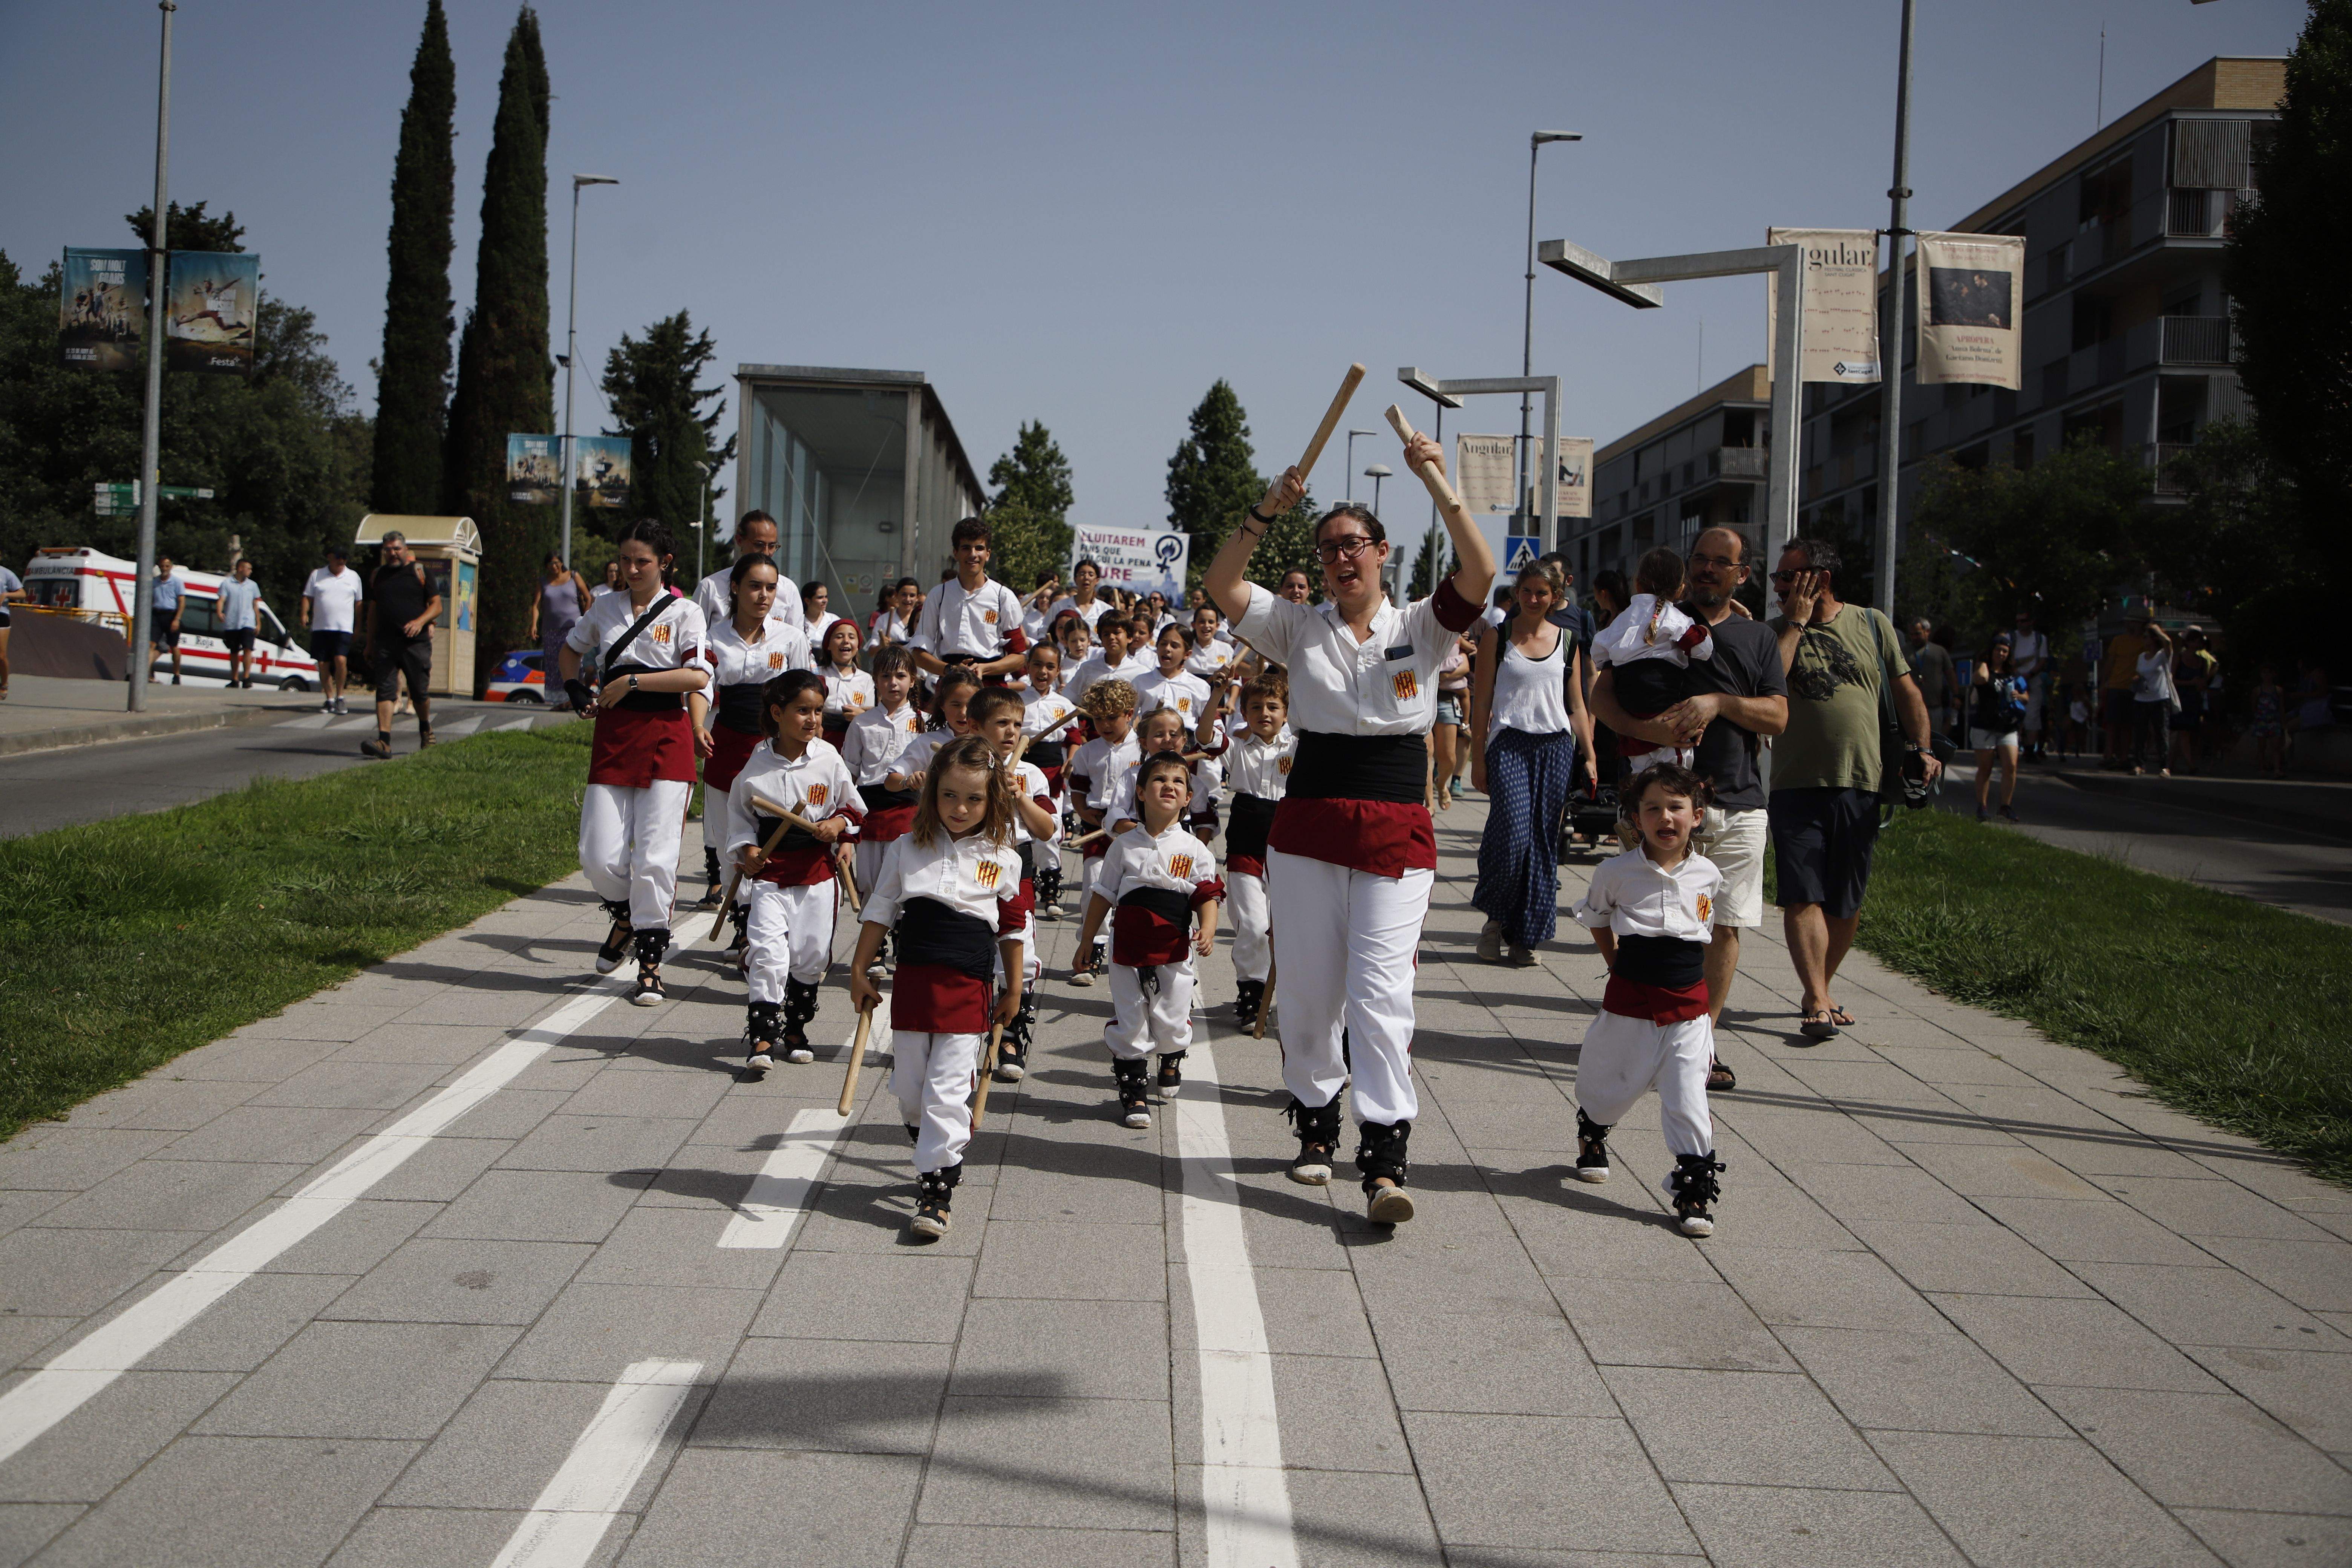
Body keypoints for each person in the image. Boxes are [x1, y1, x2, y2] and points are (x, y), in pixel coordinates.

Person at [1205, 419, 1494, 1226]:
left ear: (1382, 550)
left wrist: (1436, 477)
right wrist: (1267, 510)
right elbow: (1222, 584)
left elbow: (1482, 567)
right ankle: (1315, 1116)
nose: (1341, 556)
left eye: (1354, 543)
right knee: (1307, 995)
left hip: (1396, 825)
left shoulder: (1422, 626)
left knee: (1380, 989)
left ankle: (1386, 1150)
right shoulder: (1298, 626)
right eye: (1329, 545)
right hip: (1309, 827)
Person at [1590, 527, 1786, 1093]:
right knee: (1649, 925)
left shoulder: (1756, 637)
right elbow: (1601, 695)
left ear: (1741, 574)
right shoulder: (1653, 622)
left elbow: (1777, 716)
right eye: (1698, 560)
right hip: (1657, 803)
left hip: (1737, 800)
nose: (1707, 570)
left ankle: (1701, 1041)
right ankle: (1645, 1027)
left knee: (1724, 927)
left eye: (1720, 563)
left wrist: (1718, 702)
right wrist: (1643, 729)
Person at [845, 736, 1027, 1239]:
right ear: (933, 795)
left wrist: (1015, 989)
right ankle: (932, 1144)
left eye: (973, 799)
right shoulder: (908, 847)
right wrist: (859, 969)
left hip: (969, 984)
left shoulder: (1004, 857)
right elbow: (880, 909)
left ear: (991, 802)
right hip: (913, 983)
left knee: (947, 1091)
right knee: (910, 1091)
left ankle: (936, 1188)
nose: (960, 807)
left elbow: (1013, 929)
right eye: (949, 795)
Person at [1766, 537, 1939, 1040]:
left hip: (1862, 780)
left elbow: (1907, 691)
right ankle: (1818, 999)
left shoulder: (1871, 623)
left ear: (1820, 578)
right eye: (1778, 577)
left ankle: (1819, 986)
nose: (1778, 585)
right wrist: (1796, 623)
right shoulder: (1775, 632)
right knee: (1801, 894)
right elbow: (1768, 683)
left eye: (1787, 576)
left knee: (1847, 899)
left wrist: (1923, 748)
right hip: (1796, 782)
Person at [1565, 763, 1727, 1238]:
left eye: (1676, 807)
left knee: (1687, 1095)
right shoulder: (1616, 871)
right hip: (1630, 999)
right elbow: (1597, 918)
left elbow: (1703, 929)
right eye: (1653, 807)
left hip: (1689, 1007)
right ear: (1636, 817)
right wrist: (1616, 963)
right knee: (1609, 1084)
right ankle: (1593, 1129)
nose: (1665, 817)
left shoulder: (1708, 874)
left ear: (1696, 815)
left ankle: (1694, 1184)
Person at [558, 519, 710, 1006]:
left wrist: (636, 682)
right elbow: (569, 651)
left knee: (656, 856)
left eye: (641, 561)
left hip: (667, 735)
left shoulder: (686, 612)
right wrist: (576, 688)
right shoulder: (604, 606)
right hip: (614, 736)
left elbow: (696, 676)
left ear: (664, 563)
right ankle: (626, 912)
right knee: (597, 854)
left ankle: (650, 958)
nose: (631, 569)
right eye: (625, 560)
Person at [1071, 752, 1224, 1128]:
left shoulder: (1195, 849)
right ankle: (1134, 1090)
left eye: (1178, 781)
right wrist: (1088, 939)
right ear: (1140, 792)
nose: (1168, 786)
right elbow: (1103, 893)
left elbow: (1207, 895)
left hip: (1173, 947)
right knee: (1132, 1020)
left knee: (1171, 1022)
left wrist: (1208, 928)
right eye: (1159, 780)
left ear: (1189, 797)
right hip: (1127, 946)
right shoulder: (1124, 845)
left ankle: (1172, 1056)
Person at [724, 670, 860, 1071]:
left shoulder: (828, 757)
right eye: (802, 711)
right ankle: (763, 1035)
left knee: (811, 956)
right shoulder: (758, 761)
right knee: (769, 954)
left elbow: (851, 806)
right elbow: (740, 815)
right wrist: (747, 849)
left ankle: (796, 1029)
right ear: (778, 712)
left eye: (818, 711)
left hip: (817, 873)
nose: (813, 719)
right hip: (771, 874)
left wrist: (838, 827)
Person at [1470, 559, 1597, 965]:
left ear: (1556, 597)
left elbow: (1576, 703)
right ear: (1517, 592)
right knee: (1511, 834)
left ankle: (1526, 933)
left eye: (1543, 593)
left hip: (1556, 746)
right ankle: (1495, 919)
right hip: (1509, 742)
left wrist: (1590, 755)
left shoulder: (1569, 641)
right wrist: (1477, 758)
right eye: (1527, 591)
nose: (1534, 599)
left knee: (1542, 840)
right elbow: (1483, 700)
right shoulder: (1498, 635)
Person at [694, 555, 811, 914]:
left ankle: (763, 921)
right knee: (731, 839)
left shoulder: (791, 638)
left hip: (774, 749)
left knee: (769, 838)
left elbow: (808, 695)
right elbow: (699, 686)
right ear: (735, 588)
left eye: (771, 588)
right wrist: (698, 726)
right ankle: (742, 923)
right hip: (725, 743)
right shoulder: (711, 638)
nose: (764, 595)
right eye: (755, 586)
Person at [969, 684, 1060, 1081]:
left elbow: (1045, 829)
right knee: (974, 950)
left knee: (1019, 951)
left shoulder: (1030, 772)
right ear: (975, 727)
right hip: (972, 869)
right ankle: (969, 1029)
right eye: (1001, 723)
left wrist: (1019, 797)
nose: (1011, 731)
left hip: (1016, 870)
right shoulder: (960, 764)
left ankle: (1011, 1035)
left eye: (1017, 724)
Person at [1591, 548, 1716, 774]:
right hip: (1666, 712)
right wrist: (1705, 632)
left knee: (1642, 777)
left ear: (1637, 583)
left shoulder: (1619, 622)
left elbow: (1599, 653)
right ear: (1680, 589)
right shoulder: (1675, 618)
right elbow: (1701, 650)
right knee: (1676, 777)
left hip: (1630, 713)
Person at [1221, 673, 1293, 1029]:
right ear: (1244, 713)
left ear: (1286, 712)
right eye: (1256, 707)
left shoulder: (1298, 746)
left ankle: (1293, 995)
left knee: (1286, 926)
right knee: (1252, 923)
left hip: (1288, 843)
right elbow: (1206, 737)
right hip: (1246, 841)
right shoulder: (1238, 746)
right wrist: (1220, 693)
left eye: (1273, 707)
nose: (1264, 713)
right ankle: (1251, 991)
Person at [1066, 678, 1143, 982]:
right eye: (1098, 718)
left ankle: (1135, 952)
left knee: (1134, 890)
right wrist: (1086, 814)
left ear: (1130, 714)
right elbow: (1078, 790)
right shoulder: (1087, 752)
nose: (1105, 724)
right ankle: (1094, 949)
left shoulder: (1144, 748)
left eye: (1112, 717)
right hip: (1097, 825)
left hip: (1134, 828)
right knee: (1094, 887)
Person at [841, 645, 926, 903]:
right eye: (886, 676)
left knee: (905, 882)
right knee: (870, 883)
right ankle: (874, 941)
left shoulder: (925, 722)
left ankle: (903, 938)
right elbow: (848, 776)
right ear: (875, 680)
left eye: (901, 676)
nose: (893, 683)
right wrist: (846, 829)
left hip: (909, 809)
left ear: (913, 680)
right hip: (870, 811)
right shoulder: (861, 723)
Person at [359, 531, 441, 759]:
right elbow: (373, 612)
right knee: (385, 691)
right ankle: (384, 742)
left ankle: (425, 728)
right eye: (388, 550)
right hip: (386, 644)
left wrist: (420, 622)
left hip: (415, 643)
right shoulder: (378, 575)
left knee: (420, 692)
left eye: (396, 548)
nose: (392, 553)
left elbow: (436, 607)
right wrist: (369, 643)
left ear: (405, 549)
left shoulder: (420, 572)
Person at [692, 511, 802, 635]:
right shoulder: (710, 587)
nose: (766, 552)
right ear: (740, 541)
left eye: (772, 546)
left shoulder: (789, 589)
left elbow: (796, 640)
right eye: (759, 545)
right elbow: (694, 638)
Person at [1969, 635, 2027, 821]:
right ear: (1991, 651)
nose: (2001, 654)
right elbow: (1980, 679)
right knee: (1985, 769)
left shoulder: (2013, 675)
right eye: (1998, 650)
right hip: (1984, 727)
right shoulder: (1984, 670)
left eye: (2005, 651)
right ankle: (1982, 807)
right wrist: (1984, 663)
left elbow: (2027, 697)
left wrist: (2020, 696)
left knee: (2011, 766)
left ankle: (2006, 806)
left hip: (2008, 727)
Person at [302, 546, 363, 714]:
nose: (341, 561)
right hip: (321, 627)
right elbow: (307, 596)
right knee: (323, 663)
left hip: (343, 628)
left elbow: (359, 604)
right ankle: (329, 699)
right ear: (330, 557)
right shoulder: (317, 575)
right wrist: (304, 613)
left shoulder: (353, 577)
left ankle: (340, 697)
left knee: (341, 660)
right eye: (338, 557)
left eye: (344, 557)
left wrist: (358, 626)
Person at [1063, 612, 1152, 707]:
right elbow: (1068, 700)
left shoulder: (1141, 673)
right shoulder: (1087, 669)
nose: (1111, 637)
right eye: (1106, 634)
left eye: (1117, 633)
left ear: (1130, 638)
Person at [530, 553, 590, 683]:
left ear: (562, 563)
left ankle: (574, 697)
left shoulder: (573, 576)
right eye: (551, 564)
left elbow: (588, 597)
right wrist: (534, 625)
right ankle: (559, 700)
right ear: (546, 566)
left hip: (573, 628)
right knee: (553, 664)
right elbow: (536, 605)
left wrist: (585, 619)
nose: (554, 566)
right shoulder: (543, 582)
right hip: (551, 630)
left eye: (557, 562)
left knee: (575, 662)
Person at [1133, 624, 1211, 722]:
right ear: (1157, 647)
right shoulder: (1140, 682)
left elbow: (1210, 724)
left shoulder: (1200, 687)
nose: (1167, 649)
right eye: (1163, 644)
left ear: (1187, 654)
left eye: (1174, 646)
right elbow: (1129, 719)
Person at [817, 619, 873, 749]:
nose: (846, 641)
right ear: (828, 645)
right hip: (820, 735)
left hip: (852, 738)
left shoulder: (866, 679)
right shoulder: (817, 674)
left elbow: (870, 711)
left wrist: (861, 714)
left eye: (852, 637)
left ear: (858, 645)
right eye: (839, 636)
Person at [2130, 619, 2176, 777]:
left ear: (2154, 639)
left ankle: (2165, 767)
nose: (2144, 640)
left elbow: (2168, 642)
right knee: (2140, 734)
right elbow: (2141, 674)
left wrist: (2157, 630)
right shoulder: (2142, 657)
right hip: (2142, 699)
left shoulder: (2163, 655)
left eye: (2146, 637)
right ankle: (2139, 765)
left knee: (2161, 733)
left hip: (2160, 699)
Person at [2099, 621, 2148, 766]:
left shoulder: (2144, 643)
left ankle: (2124, 757)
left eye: (2134, 621)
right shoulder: (2118, 641)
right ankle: (2109, 754)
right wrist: (2104, 683)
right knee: (2112, 723)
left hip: (2132, 688)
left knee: (2127, 724)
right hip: (2115, 686)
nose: (2130, 625)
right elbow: (2110, 662)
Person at [2171, 626, 2216, 774]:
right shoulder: (2179, 658)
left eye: (2199, 642)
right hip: (2181, 697)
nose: (2197, 644)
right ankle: (2191, 765)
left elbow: (2204, 681)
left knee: (2187, 732)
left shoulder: (2202, 661)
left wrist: (2203, 682)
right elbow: (2172, 680)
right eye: (2194, 641)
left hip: (2194, 699)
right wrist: (2190, 682)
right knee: (2183, 731)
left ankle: (2171, 763)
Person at [2008, 609, 2050, 759]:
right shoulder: (2011, 637)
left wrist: (2029, 674)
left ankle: (2029, 749)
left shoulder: (2040, 639)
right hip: (2014, 680)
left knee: (2033, 715)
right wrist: (2017, 674)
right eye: (2018, 621)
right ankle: (2008, 747)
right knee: (2012, 713)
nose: (2020, 624)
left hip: (2033, 680)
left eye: (2024, 621)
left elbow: (2043, 660)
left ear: (2031, 622)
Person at [1907, 619, 1957, 744]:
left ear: (1927, 632)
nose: (1915, 638)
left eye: (1918, 634)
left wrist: (1957, 696)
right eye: (1912, 635)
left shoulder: (1939, 651)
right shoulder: (1904, 651)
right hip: (1911, 706)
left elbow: (1951, 674)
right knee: (1912, 741)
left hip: (1934, 706)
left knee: (1934, 740)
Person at [215, 559, 262, 689]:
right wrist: (219, 612)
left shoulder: (253, 585)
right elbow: (221, 600)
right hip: (232, 622)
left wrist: (258, 623)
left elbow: (255, 605)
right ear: (241, 568)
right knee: (234, 650)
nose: (250, 571)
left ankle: (246, 677)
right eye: (249, 569)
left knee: (248, 649)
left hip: (248, 622)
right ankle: (234, 679)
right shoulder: (227, 583)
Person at [1045, 559, 1111, 633]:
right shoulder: (1058, 607)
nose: (1086, 578)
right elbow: (1044, 633)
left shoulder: (1106, 610)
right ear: (1075, 579)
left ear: (1097, 580)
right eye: (1082, 574)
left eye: (1091, 575)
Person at [149, 556, 186, 685]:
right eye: (162, 566)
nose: (164, 569)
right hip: (157, 614)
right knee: (151, 645)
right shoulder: (154, 582)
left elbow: (182, 602)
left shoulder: (177, 582)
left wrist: (177, 619)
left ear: (171, 567)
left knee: (174, 647)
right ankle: (146, 674)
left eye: (167, 566)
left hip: (171, 615)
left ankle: (176, 674)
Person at [2251, 664, 2287, 777]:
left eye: (2269, 673)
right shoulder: (2257, 690)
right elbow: (2254, 706)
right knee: (2262, 747)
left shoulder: (2278, 690)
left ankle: (2277, 769)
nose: (2267, 675)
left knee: (2276, 747)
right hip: (2261, 721)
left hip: (2274, 721)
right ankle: (2261, 768)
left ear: (2273, 675)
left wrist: (2283, 723)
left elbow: (2281, 707)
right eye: (2264, 673)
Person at [802, 581, 847, 651]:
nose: (825, 601)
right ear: (807, 601)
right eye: (820, 598)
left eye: (826, 597)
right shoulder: (799, 621)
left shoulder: (834, 620)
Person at [0, 559, 21, 699]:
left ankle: (5, 684)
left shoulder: (6, 573)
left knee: (1, 655)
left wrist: (6, 595)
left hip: (1, 614)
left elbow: (22, 593)